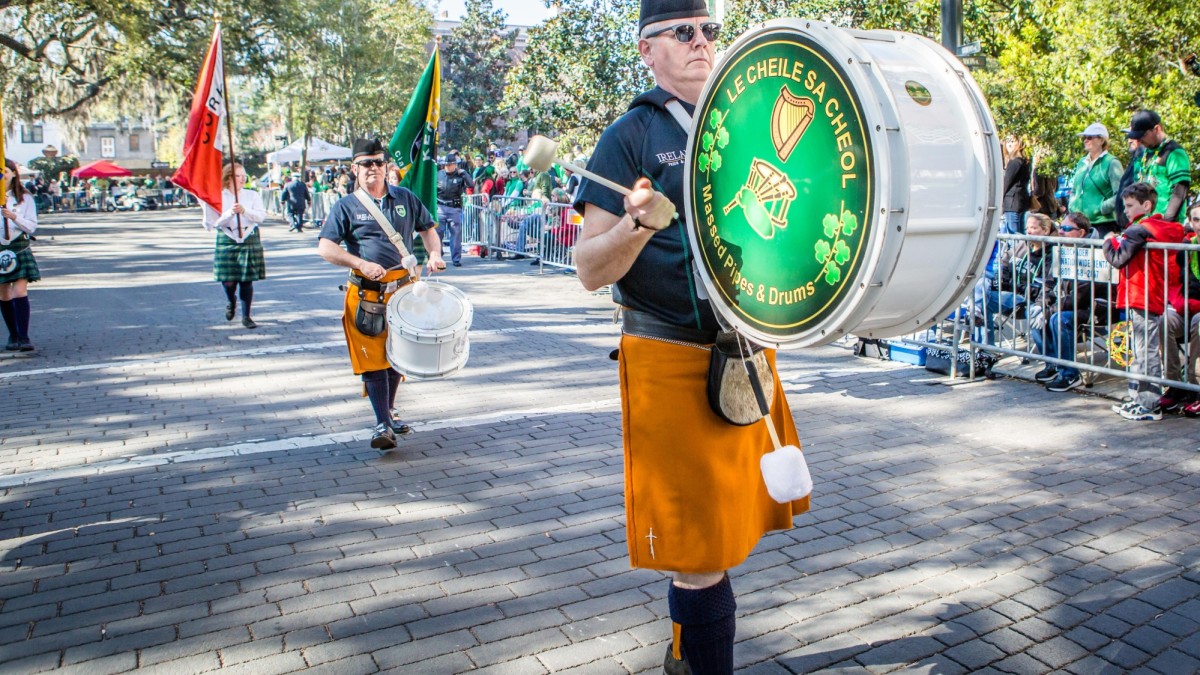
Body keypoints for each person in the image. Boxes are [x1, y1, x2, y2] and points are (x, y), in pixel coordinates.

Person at [573, 3, 806, 673]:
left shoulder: (745, 118)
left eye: (709, 31)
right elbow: (590, 268)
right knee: (696, 551)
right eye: (684, 32)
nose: (702, 44)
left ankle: (689, 654)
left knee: (730, 533)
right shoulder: (630, 136)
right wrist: (637, 227)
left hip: (745, 348)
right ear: (648, 50)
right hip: (669, 355)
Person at [317, 138, 446, 450]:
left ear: (387, 165)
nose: (372, 168)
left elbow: (428, 229)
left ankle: (387, 414)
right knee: (373, 360)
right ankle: (382, 424)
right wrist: (359, 263)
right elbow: (326, 247)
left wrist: (434, 254)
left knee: (398, 358)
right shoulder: (346, 206)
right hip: (366, 296)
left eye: (377, 162)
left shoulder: (405, 197)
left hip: (404, 293)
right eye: (365, 164)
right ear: (354, 169)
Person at [1103, 182, 1185, 421]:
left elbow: (1118, 259)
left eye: (1129, 206)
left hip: (1144, 294)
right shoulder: (1149, 227)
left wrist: (1108, 241)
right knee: (1140, 350)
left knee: (1145, 350)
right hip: (1142, 293)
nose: (1125, 211)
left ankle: (1149, 404)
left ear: (1146, 205)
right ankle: (1138, 397)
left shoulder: (1140, 229)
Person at [1032, 212, 1103, 392]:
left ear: (1081, 233)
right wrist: (1040, 305)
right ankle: (1053, 364)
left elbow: (1079, 297)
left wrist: (1048, 310)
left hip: (1093, 308)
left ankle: (1069, 374)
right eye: (1060, 227)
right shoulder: (1061, 250)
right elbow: (1048, 284)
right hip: (1066, 305)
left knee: (1058, 319)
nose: (1060, 232)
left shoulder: (1092, 253)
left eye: (1066, 229)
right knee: (1032, 313)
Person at [202, 162, 268, 329]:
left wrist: (245, 211)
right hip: (228, 236)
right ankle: (231, 301)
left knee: (246, 280)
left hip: (248, 236)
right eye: (238, 175)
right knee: (229, 281)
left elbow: (261, 217)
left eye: (244, 175)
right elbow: (214, 223)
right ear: (229, 178)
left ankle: (247, 316)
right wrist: (230, 212)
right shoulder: (218, 196)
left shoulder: (252, 195)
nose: (242, 179)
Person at [983, 213, 1055, 345]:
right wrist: (1001, 282)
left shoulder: (1052, 253)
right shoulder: (1022, 245)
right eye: (1027, 228)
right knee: (982, 300)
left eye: (1033, 228)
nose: (1028, 231)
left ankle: (1051, 362)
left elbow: (1046, 286)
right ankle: (986, 350)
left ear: (1045, 230)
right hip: (1010, 296)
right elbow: (1004, 264)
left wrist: (1018, 288)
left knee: (1036, 316)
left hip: (1032, 301)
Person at [1162, 203, 1200, 413]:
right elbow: (1175, 287)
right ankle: (1174, 385)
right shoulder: (1185, 248)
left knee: (1199, 322)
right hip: (1186, 309)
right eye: (1196, 219)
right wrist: (1181, 305)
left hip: (1196, 313)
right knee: (1164, 320)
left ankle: (1195, 386)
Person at [1, 159, 40, 351]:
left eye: (5, 171)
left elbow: (32, 226)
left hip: (19, 246)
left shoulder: (25, 198)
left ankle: (24, 337)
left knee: (19, 291)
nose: (3, 175)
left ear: (14, 173)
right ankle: (13, 335)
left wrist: (14, 216)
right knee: (4, 292)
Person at [1126, 110, 1191, 223]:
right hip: (1144, 223)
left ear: (1157, 129)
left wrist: (1166, 222)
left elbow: (1180, 191)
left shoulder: (1174, 153)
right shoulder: (1143, 154)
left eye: (1143, 135)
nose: (1139, 140)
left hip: (1165, 223)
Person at [1068, 123, 1123, 236]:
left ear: (1101, 140)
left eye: (1089, 137)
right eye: (1084, 138)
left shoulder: (1112, 163)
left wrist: (1101, 208)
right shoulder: (1081, 162)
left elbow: (1121, 194)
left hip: (1103, 223)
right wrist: (1072, 206)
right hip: (1080, 224)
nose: (1085, 140)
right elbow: (1075, 189)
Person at [436, 153, 474, 267]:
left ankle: (456, 259)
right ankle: (438, 255)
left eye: (450, 165)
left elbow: (471, 184)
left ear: (454, 165)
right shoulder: (438, 175)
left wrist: (464, 173)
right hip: (440, 207)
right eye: (446, 165)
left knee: (456, 234)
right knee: (438, 233)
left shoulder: (459, 176)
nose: (447, 167)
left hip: (454, 208)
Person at [1001, 134, 1031, 234]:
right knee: (1019, 234)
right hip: (1020, 202)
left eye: (1013, 141)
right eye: (1008, 141)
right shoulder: (1024, 161)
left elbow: (1006, 182)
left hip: (1013, 203)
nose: (1009, 144)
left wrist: (999, 199)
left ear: (1019, 143)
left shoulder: (1015, 161)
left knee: (1014, 236)